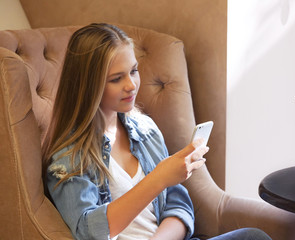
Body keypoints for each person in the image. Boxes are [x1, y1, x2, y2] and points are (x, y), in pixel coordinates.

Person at [43, 23, 271, 240]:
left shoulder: (145, 130)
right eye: (116, 78)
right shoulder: (69, 158)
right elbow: (88, 232)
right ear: (88, 85)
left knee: (254, 237)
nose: (131, 85)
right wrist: (158, 179)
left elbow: (178, 206)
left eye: (133, 71)